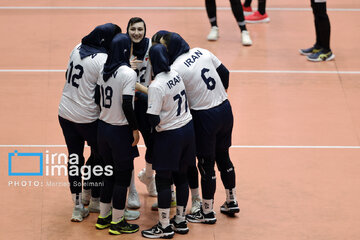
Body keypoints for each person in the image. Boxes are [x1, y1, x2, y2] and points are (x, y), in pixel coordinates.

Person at [160, 33, 240, 224]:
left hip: (205, 116)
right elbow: (225, 73)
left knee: (206, 163)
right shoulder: (201, 51)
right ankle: (231, 200)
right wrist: (219, 94)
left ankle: (207, 212)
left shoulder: (175, 68)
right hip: (225, 108)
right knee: (224, 156)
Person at [58, 23, 121, 222]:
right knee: (101, 155)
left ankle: (77, 206)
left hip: (65, 112)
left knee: (74, 158)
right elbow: (107, 90)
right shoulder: (102, 59)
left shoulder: (77, 48)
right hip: (87, 118)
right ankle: (95, 198)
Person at [141, 44, 196, 239]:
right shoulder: (175, 73)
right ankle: (180, 220)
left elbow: (153, 118)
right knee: (181, 177)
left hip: (170, 135)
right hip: (187, 130)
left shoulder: (156, 85)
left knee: (163, 180)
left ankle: (164, 226)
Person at [95, 33, 140, 235]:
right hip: (119, 131)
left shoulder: (103, 70)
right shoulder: (127, 73)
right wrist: (135, 128)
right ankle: (118, 222)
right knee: (122, 177)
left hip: (102, 129)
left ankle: (103, 217)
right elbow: (127, 105)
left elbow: (97, 97)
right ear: (125, 50)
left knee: (109, 175)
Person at [125, 17, 157, 211]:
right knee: (128, 147)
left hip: (145, 102)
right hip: (126, 104)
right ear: (127, 30)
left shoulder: (151, 47)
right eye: (133, 29)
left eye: (140, 29)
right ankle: (132, 189)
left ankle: (149, 176)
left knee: (153, 143)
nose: (136, 33)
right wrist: (127, 68)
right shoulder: (121, 47)